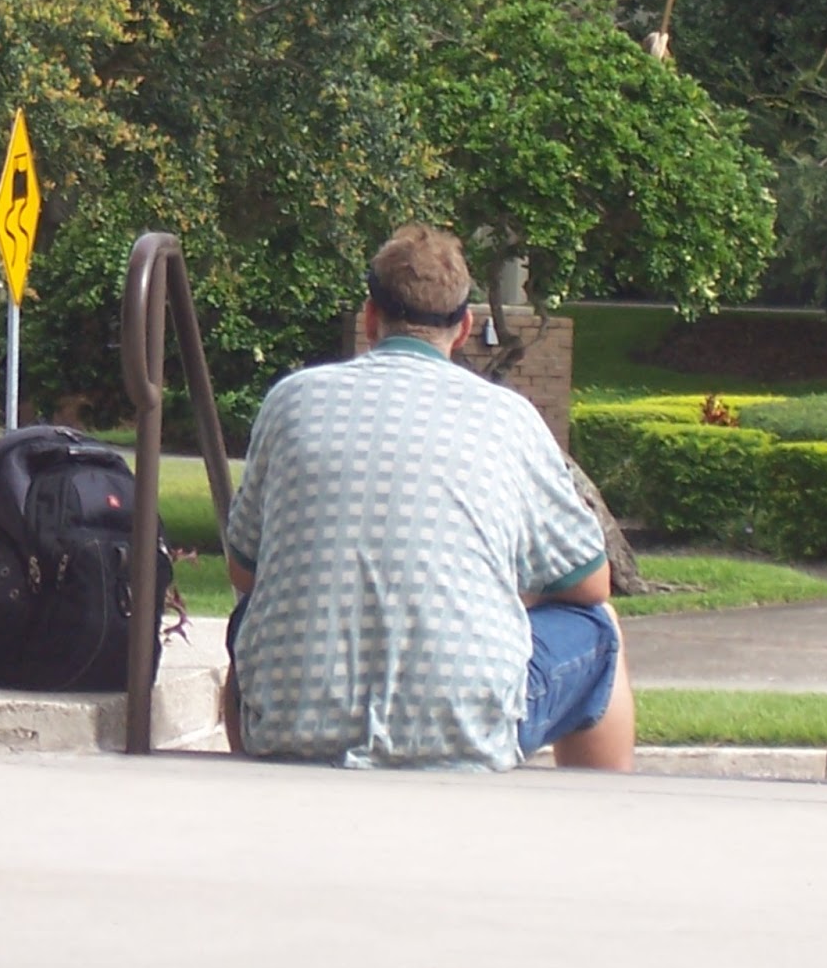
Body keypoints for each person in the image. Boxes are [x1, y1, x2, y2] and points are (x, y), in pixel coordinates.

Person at [222, 223, 634, 771]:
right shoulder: (507, 418)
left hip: (292, 722)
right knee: (602, 632)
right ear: (463, 328)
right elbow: (590, 583)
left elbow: (246, 573)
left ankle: (255, 780)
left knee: (249, 623)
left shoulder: (290, 401)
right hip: (461, 729)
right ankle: (598, 821)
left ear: (371, 317)